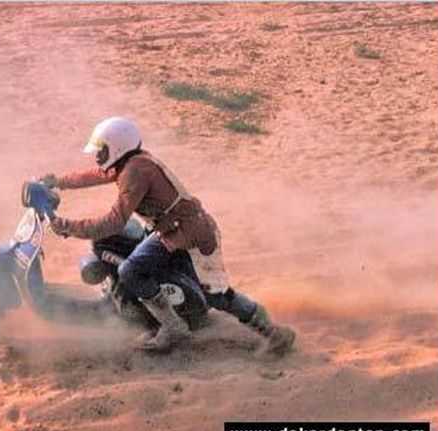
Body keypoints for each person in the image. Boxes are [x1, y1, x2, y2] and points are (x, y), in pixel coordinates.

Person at [40, 116, 295, 353]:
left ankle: (178, 328)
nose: (97, 157)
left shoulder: (135, 172)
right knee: (195, 284)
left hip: (189, 233)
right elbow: (97, 175)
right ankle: (157, 316)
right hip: (172, 229)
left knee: (208, 291)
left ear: (117, 149)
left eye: (101, 150)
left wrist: (68, 226)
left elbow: (114, 220)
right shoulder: (131, 162)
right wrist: (59, 181)